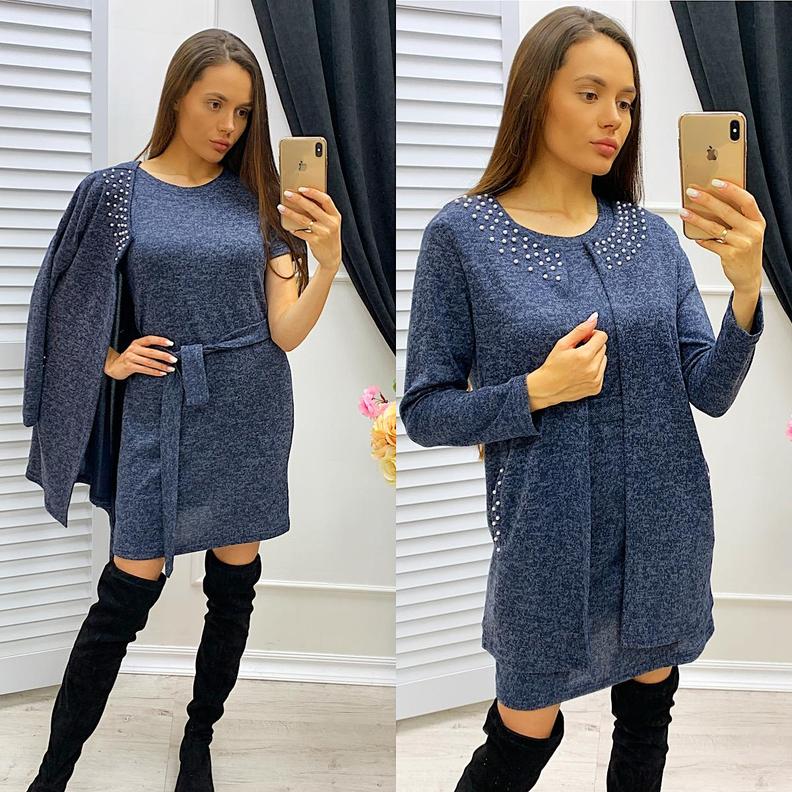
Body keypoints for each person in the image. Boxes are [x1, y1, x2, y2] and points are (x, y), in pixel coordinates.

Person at [399, 7, 765, 790]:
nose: (613, 120)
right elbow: (424, 410)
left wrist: (743, 292)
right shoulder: (463, 236)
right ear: (536, 95)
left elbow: (709, 390)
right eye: (591, 94)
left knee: (647, 718)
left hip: (664, 531)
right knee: (522, 738)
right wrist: (535, 391)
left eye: (626, 102)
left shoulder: (653, 239)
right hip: (545, 545)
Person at [23, 28, 342, 792]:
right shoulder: (114, 193)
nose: (229, 125)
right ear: (177, 97)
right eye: (214, 103)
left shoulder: (262, 202)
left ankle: (198, 740)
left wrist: (327, 262)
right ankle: (52, 773)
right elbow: (63, 299)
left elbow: (285, 331)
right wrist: (108, 358)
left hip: (249, 406)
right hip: (159, 407)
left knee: (233, 588)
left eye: (243, 111)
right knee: (125, 593)